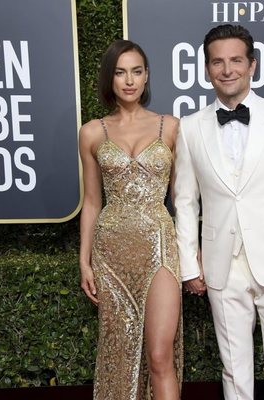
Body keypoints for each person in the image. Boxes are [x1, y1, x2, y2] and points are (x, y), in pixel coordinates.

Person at [174, 24, 264, 400]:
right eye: (217, 62)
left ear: (252, 65)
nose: (227, 70)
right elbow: (186, 202)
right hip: (222, 267)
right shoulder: (189, 129)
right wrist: (190, 266)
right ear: (206, 69)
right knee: (234, 370)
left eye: (236, 60)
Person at [79, 39, 182, 400]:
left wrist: (192, 252)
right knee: (120, 355)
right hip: (111, 252)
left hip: (160, 246)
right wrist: (85, 260)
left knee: (159, 355)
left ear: (147, 76)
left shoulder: (170, 127)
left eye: (136, 71)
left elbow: (181, 200)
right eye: (121, 72)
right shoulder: (92, 132)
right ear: (110, 78)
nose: (129, 80)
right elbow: (92, 202)